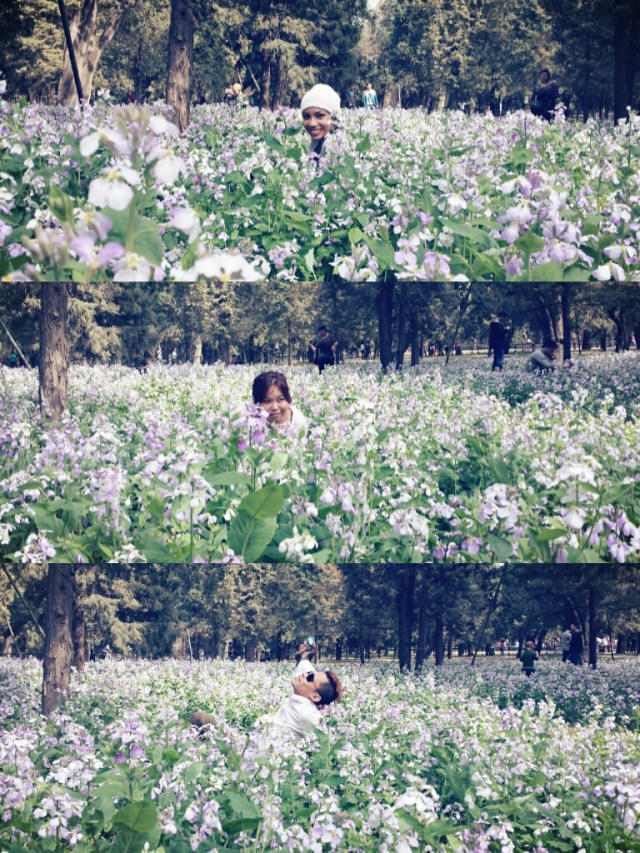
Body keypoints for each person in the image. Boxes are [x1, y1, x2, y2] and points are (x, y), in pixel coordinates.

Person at [190, 669, 343, 742]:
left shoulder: (308, 712)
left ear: (315, 696)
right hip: (249, 742)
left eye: (310, 677)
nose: (305, 674)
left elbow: (326, 742)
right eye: (309, 671)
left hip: (251, 756)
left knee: (201, 719)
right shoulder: (299, 699)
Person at [300, 84, 344, 157]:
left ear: (334, 118)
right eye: (306, 116)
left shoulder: (335, 146)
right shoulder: (317, 142)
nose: (312, 123)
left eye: (320, 116)